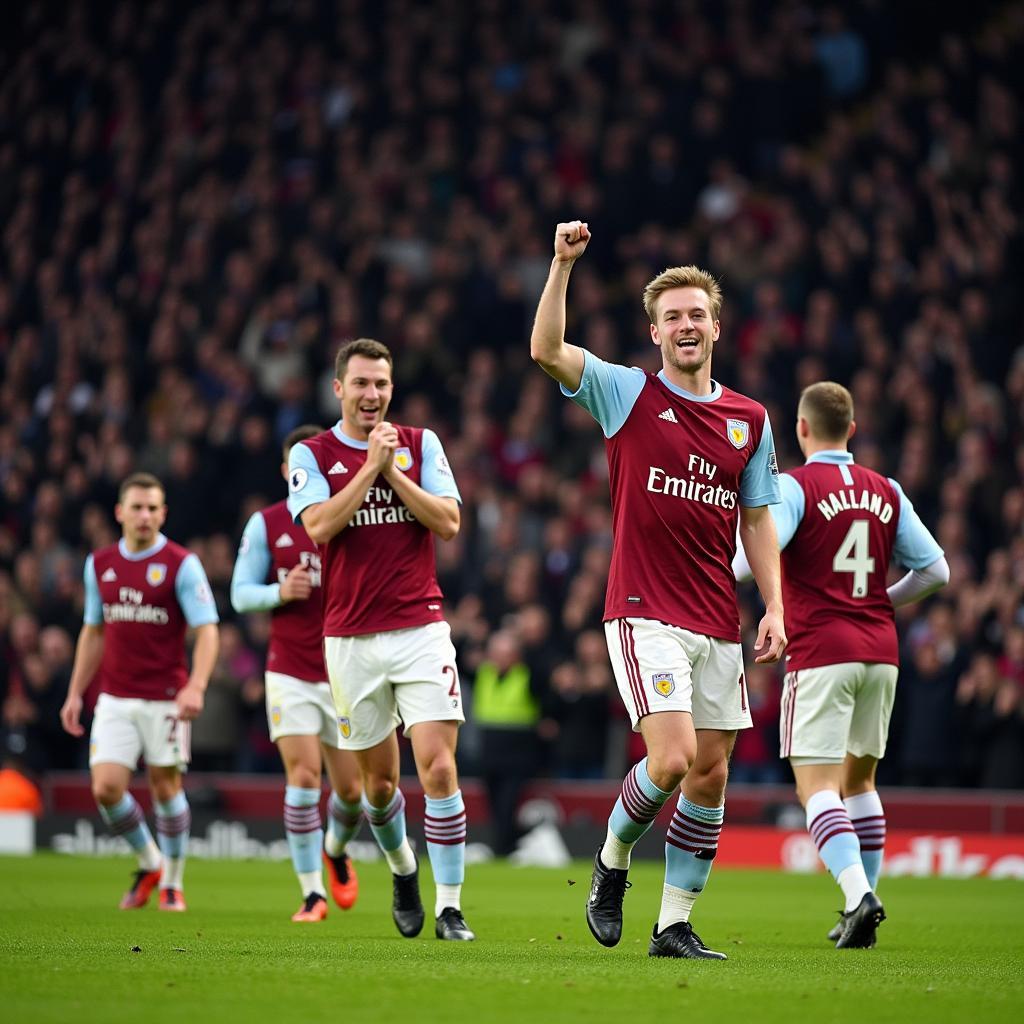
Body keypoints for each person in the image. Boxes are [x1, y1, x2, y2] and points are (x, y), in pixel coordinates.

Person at [531, 221, 786, 960]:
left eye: (696, 313)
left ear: (716, 325)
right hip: (644, 611)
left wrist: (775, 604)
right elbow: (547, 350)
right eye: (672, 315)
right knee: (671, 759)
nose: (685, 325)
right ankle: (611, 862)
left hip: (716, 618)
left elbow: (759, 517)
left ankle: (673, 924)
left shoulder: (749, 420)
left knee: (710, 775)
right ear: (654, 331)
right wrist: (561, 265)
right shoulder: (626, 393)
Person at [733, 381, 948, 948]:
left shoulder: (796, 486)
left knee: (816, 786)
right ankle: (862, 909)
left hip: (822, 651)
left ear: (802, 430)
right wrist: (877, 601)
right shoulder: (887, 489)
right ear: (851, 430)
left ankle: (858, 896)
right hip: (881, 653)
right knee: (861, 780)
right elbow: (936, 572)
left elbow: (748, 562)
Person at [286, 338, 475, 941]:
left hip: (420, 628)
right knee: (380, 785)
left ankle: (450, 907)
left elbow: (448, 523)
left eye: (382, 385)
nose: (372, 395)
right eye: (361, 384)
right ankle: (401, 869)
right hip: (349, 640)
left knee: (439, 768)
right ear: (338, 389)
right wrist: (370, 467)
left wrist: (392, 469)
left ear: (392, 390)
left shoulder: (421, 446)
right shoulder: (310, 453)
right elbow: (317, 526)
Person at [59, 473, 220, 911]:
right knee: (106, 788)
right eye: (137, 507)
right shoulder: (100, 564)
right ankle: (150, 860)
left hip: (166, 697)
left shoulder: (181, 563)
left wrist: (196, 685)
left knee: (166, 788)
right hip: (115, 697)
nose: (145, 515)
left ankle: (173, 881)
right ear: (120, 512)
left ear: (163, 513)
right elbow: (93, 632)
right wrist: (76, 693)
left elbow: (207, 631)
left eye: (153, 508)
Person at [230, 424, 364, 923]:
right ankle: (312, 894)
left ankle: (334, 849)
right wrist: (278, 593)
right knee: (304, 775)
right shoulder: (266, 524)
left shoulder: (353, 516)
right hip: (288, 670)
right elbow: (240, 594)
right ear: (288, 471)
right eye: (294, 465)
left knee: (352, 793)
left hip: (344, 671)